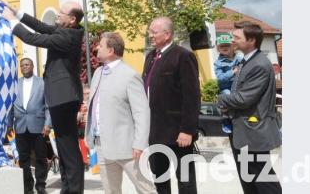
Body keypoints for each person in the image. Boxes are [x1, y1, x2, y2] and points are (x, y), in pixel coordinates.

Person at [3, 2, 85, 194]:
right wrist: (18, 13)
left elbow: (33, 38)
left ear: (72, 19)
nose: (57, 14)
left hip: (63, 98)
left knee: (69, 150)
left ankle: (73, 190)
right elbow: (42, 27)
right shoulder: (66, 31)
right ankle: (68, 189)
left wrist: (12, 22)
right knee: (65, 149)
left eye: (61, 13)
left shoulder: (67, 37)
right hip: (62, 97)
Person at [86, 32, 155, 194]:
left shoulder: (130, 75)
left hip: (128, 147)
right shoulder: (97, 73)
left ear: (110, 51)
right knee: (110, 190)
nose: (97, 47)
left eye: (101, 45)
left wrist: (140, 143)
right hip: (102, 144)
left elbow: (142, 112)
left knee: (145, 189)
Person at [217, 21, 281, 194]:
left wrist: (221, 100)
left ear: (251, 40)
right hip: (243, 131)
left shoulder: (259, 64)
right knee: (249, 180)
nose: (232, 41)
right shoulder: (247, 61)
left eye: (237, 37)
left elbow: (244, 98)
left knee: (264, 180)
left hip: (254, 132)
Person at [142, 17, 200, 194]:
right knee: (159, 179)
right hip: (155, 132)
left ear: (167, 34)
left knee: (185, 181)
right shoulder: (151, 56)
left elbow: (192, 96)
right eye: (150, 32)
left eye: (154, 32)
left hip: (178, 133)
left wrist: (187, 130)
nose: (150, 35)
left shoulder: (183, 56)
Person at [7, 57, 52, 194]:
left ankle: (40, 185)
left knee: (40, 157)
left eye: (27, 64)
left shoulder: (42, 83)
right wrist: (9, 124)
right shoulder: (15, 84)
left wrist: (48, 124)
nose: (24, 67)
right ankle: (27, 187)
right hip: (20, 126)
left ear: (32, 66)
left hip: (39, 126)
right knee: (23, 159)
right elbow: (10, 107)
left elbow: (48, 105)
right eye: (22, 65)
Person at [214, 37, 243, 133]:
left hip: (239, 85)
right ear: (218, 49)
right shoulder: (218, 63)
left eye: (227, 45)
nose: (225, 47)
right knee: (227, 95)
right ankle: (226, 119)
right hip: (227, 87)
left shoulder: (240, 58)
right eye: (222, 46)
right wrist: (233, 72)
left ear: (233, 46)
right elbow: (220, 78)